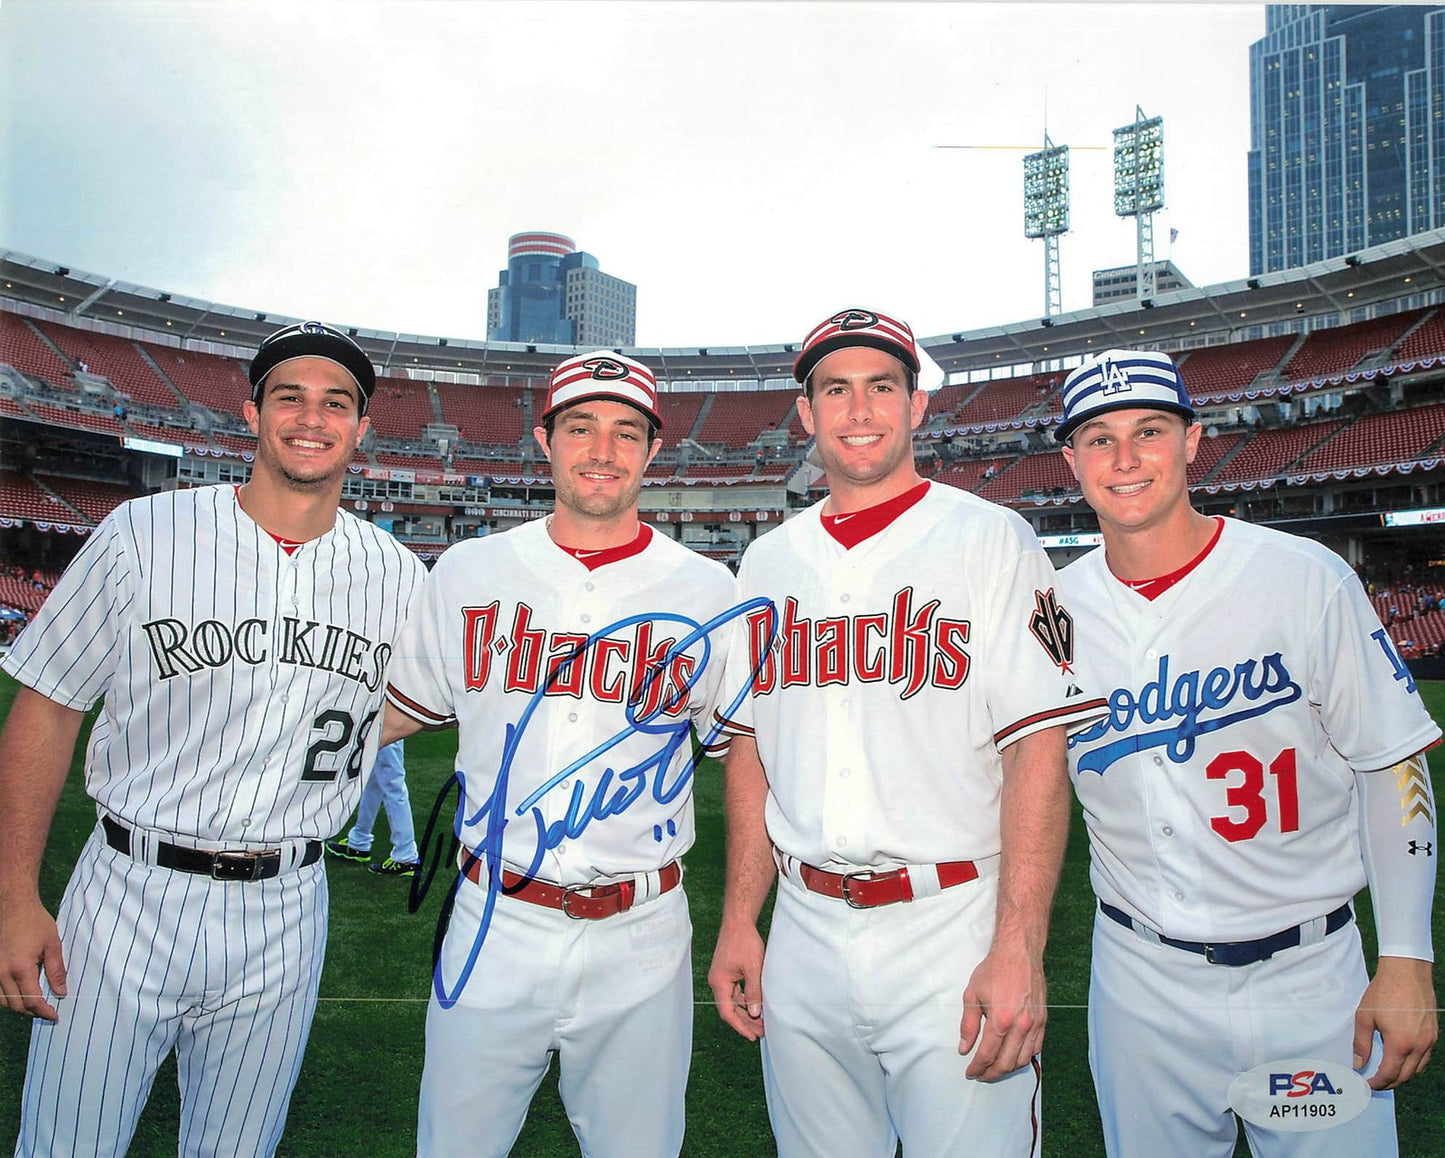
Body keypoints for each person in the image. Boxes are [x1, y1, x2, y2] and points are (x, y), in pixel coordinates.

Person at [0, 320, 426, 1156]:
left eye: (335, 403)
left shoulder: (398, 575)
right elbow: (47, 705)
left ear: (361, 429)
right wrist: (14, 895)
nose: (312, 418)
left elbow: (433, 699)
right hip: (127, 893)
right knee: (63, 1145)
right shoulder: (142, 534)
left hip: (287, 905)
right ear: (252, 413)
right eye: (290, 398)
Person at [707, 307, 1106, 1157]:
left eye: (881, 387)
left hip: (950, 922)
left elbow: (1038, 748)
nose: (859, 410)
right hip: (804, 929)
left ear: (917, 405)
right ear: (806, 413)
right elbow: (749, 747)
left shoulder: (993, 539)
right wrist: (741, 918)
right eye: (835, 390)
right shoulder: (768, 561)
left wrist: (1017, 946)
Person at [1054, 348, 1440, 1157]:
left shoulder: (1302, 578)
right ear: (1070, 460)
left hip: (1308, 982)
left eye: (1148, 431)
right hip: (1139, 985)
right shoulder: (1049, 612)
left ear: (1192, 441)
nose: (1124, 459)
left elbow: (1392, 763)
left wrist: (1405, 955)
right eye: (1098, 439)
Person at [381, 350, 740, 1158]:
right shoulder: (469, 571)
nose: (602, 450)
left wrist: (744, 921)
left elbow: (742, 751)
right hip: (491, 918)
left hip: (642, 930)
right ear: (545, 439)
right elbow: (398, 711)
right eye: (580, 428)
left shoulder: (707, 589)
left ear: (652, 451)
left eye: (625, 432)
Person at [325, 739, 421, 876]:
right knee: (375, 777)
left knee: (392, 782)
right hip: (378, 727)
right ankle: (359, 840)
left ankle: (406, 856)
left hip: (386, 726)